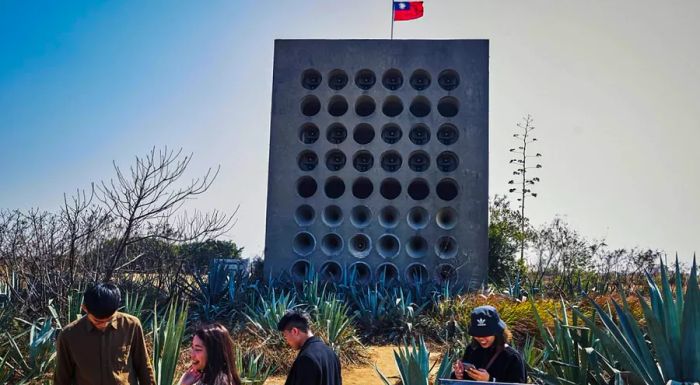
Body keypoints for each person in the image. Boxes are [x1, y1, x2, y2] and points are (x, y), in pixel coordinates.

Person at [54, 282, 156, 385]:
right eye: (97, 321)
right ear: (85, 308)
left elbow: (143, 365)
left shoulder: (131, 325)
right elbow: (62, 376)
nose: (104, 325)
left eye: (109, 320)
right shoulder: (69, 335)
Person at [451, 305, 527, 383]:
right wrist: (458, 375)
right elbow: (461, 381)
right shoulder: (471, 350)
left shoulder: (512, 358)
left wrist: (490, 380)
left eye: (486, 334)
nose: (481, 338)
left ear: (498, 332)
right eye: (477, 334)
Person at [277, 309, 342, 385]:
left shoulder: (306, 358)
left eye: (285, 336)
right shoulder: (331, 353)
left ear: (295, 331)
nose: (286, 341)